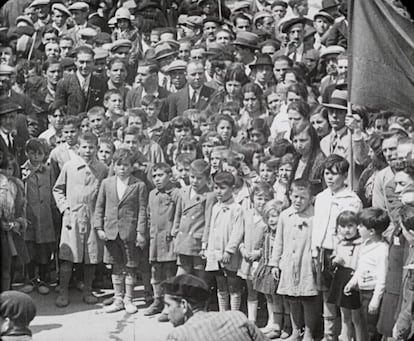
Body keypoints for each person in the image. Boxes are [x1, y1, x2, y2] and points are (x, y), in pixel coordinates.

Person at [53, 131, 108, 307]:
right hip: (73, 218)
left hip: (93, 218)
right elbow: (58, 189)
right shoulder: (69, 166)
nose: (88, 150)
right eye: (84, 147)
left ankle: (87, 290)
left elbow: (105, 194)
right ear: (77, 148)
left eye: (91, 147)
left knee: (91, 258)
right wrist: (65, 208)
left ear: (97, 148)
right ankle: (63, 292)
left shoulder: (103, 169)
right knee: (68, 257)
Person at [312, 154, 363, 341]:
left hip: (343, 253)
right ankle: (329, 333)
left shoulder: (351, 199)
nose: (330, 178)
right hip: (323, 251)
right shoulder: (321, 197)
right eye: (327, 173)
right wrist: (314, 248)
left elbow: (351, 230)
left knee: (344, 297)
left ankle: (346, 334)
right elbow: (317, 224)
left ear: (344, 175)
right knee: (327, 294)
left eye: (335, 174)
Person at [94, 148, 147, 314]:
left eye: (126, 165)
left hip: (129, 231)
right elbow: (99, 206)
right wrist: (98, 227)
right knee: (116, 265)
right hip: (111, 231)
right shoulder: (107, 183)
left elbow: (142, 211)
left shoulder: (138, 185)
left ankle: (129, 299)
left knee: (130, 265)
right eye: (119, 165)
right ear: (113, 166)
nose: (122, 168)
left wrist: (140, 232)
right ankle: (118, 298)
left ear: (132, 167)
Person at [270, 179, 320, 341]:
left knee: (307, 298)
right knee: (292, 298)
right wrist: (275, 263)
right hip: (289, 263)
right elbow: (279, 241)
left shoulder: (314, 217)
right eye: (295, 196)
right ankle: (296, 330)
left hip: (306, 263)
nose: (298, 201)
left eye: (303, 198)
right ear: (290, 195)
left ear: (311, 198)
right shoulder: (285, 215)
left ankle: (309, 332)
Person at [162, 274, 269, 341]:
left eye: (168, 305)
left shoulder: (179, 336)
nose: (166, 312)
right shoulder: (237, 317)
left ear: (184, 305)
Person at [344, 208, 390, 341]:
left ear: (371, 231)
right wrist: (353, 282)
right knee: (362, 324)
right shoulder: (366, 244)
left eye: (361, 226)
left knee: (372, 329)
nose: (358, 228)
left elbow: (382, 277)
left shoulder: (382, 250)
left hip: (372, 293)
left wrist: (375, 300)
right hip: (362, 291)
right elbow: (361, 267)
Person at [203, 172, 244, 312]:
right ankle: (223, 312)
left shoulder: (237, 209)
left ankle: (234, 313)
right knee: (221, 284)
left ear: (232, 188)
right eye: (216, 188)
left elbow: (237, 232)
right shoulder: (215, 207)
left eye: (223, 188)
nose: (218, 192)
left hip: (228, 253)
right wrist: (208, 249)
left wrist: (229, 250)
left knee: (233, 284)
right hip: (216, 252)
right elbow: (212, 230)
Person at [144, 163, 180, 322]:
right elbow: (149, 215)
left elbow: (179, 216)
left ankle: (169, 305)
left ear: (170, 175)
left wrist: (174, 232)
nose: (157, 179)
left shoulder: (176, 193)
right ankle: (157, 301)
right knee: (155, 273)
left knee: (169, 273)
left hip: (169, 240)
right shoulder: (152, 194)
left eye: (160, 175)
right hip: (155, 239)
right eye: (154, 176)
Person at [20, 138, 55, 295]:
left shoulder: (48, 170)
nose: (35, 157)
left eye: (39, 154)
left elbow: (55, 189)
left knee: (44, 248)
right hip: (29, 215)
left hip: (45, 215)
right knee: (29, 248)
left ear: (44, 155)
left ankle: (44, 279)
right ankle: (30, 278)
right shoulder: (22, 170)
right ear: (27, 153)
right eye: (32, 153)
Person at [326, 211, 367, 341]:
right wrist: (335, 261)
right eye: (343, 227)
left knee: (357, 316)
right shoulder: (339, 243)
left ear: (357, 226)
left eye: (350, 226)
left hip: (353, 279)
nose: (346, 230)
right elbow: (333, 264)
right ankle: (345, 337)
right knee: (344, 315)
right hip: (341, 278)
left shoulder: (361, 244)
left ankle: (360, 338)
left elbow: (361, 263)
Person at [253, 200, 290, 339]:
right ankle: (274, 323)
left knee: (283, 299)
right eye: (268, 217)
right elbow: (261, 248)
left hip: (280, 269)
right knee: (271, 298)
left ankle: (287, 325)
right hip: (267, 267)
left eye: (275, 216)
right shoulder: (267, 233)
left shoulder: (284, 234)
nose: (271, 220)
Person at [238, 182, 273, 323]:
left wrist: (258, 253)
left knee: (266, 292)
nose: (262, 202)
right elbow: (239, 236)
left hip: (261, 261)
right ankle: (251, 320)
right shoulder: (246, 215)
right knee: (251, 290)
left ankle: (271, 321)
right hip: (247, 260)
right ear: (252, 198)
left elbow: (270, 241)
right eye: (259, 198)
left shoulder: (270, 218)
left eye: (266, 199)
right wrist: (242, 249)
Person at [172, 159, 211, 283]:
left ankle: (199, 301)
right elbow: (178, 214)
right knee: (182, 271)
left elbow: (208, 222)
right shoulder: (183, 192)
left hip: (197, 241)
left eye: (199, 178)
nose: (195, 181)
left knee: (200, 274)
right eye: (192, 177)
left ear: (206, 178)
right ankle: (179, 299)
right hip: (183, 239)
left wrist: (205, 243)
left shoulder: (209, 195)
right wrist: (175, 230)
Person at [54, 45, 108, 116]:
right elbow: (59, 109)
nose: (85, 66)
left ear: (93, 62)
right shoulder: (64, 83)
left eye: (88, 62)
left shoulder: (100, 83)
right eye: (81, 62)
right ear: (75, 62)